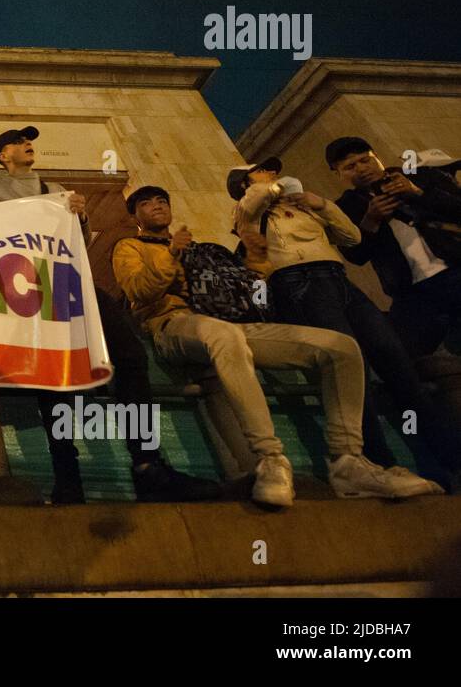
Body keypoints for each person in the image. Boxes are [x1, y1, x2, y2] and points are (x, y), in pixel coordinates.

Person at [0, 91, 218, 504]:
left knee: (130, 355)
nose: (27, 144)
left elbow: (77, 244)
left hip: (72, 282)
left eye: (28, 139)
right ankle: (67, 475)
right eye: (17, 140)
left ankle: (147, 463)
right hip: (30, 290)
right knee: (54, 378)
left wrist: (80, 216)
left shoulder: (57, 189)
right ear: (2, 156)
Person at [114, 184, 441, 505]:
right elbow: (139, 292)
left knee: (340, 347)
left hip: (228, 325)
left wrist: (258, 262)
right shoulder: (128, 246)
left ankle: (348, 462)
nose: (156, 205)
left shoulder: (199, 248)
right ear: (135, 216)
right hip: (174, 323)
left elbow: (247, 294)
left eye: (161, 200)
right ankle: (269, 459)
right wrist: (170, 255)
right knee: (225, 336)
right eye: (145, 203)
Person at [231, 156, 461, 491]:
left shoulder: (305, 209)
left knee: (395, 360)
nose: (271, 174)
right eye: (259, 173)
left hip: (338, 278)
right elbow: (250, 204)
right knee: (352, 368)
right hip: (299, 284)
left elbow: (352, 237)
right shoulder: (246, 215)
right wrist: (264, 185)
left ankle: (448, 460)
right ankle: (376, 464)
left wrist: (321, 205)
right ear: (244, 185)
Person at [327, 138, 461, 358]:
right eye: (350, 167)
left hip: (455, 267)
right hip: (411, 291)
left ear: (377, 158)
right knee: (400, 353)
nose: (361, 168)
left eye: (365, 160)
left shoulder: (420, 176)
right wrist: (371, 220)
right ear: (339, 174)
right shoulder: (345, 207)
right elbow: (355, 256)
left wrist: (417, 193)